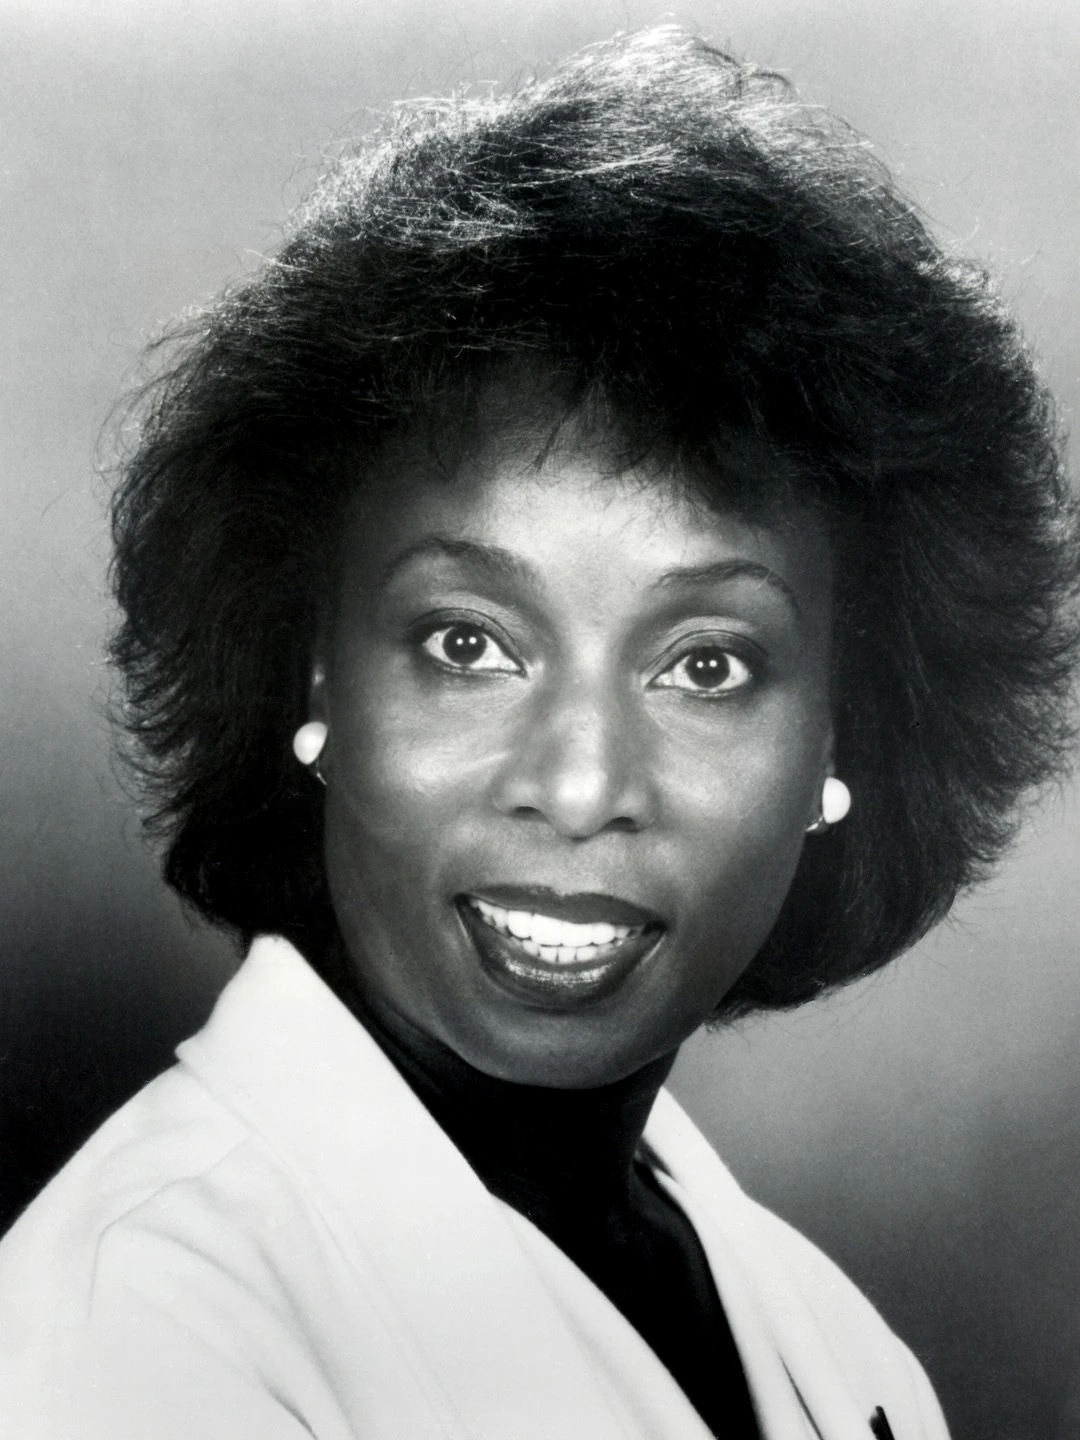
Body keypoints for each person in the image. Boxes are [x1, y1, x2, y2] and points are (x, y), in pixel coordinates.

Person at [0, 24, 1075, 1439]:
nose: (577, 785)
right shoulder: (142, 1331)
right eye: (469, 645)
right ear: (312, 676)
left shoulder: (839, 1356)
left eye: (706, 664)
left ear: (843, 736)